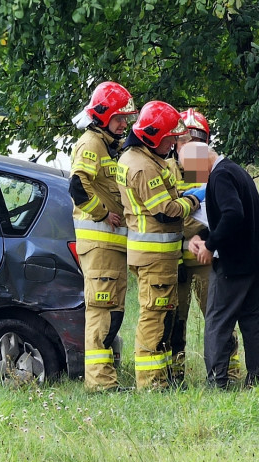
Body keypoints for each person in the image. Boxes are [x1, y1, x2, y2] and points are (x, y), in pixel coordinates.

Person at [117, 101, 201, 391]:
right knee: (154, 317)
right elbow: (165, 210)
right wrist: (194, 201)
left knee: (164, 315)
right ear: (153, 136)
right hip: (154, 257)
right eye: (169, 138)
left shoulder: (146, 157)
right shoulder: (142, 166)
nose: (174, 142)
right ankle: (152, 383)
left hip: (159, 257)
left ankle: (162, 377)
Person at [182, 141, 259, 388]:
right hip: (258, 261)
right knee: (252, 321)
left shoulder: (220, 176)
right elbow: (236, 218)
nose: (190, 176)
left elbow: (233, 214)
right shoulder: (236, 170)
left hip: (235, 265)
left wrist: (210, 246)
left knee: (217, 321)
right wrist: (204, 237)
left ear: (200, 160)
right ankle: (255, 378)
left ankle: (217, 382)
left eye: (188, 169)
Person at [68, 81, 138, 392]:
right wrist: (101, 214)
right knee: (101, 312)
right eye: (120, 118)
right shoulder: (90, 144)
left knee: (114, 313)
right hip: (99, 246)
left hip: (112, 248)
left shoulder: (110, 144)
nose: (125, 123)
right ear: (103, 116)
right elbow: (77, 187)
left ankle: (106, 377)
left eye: (127, 118)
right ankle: (99, 383)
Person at [167, 108, 241, 384]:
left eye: (196, 138)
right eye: (184, 139)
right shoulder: (166, 170)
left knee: (219, 317)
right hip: (176, 257)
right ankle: (175, 375)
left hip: (206, 257)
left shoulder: (211, 170)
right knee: (175, 322)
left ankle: (229, 372)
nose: (189, 144)